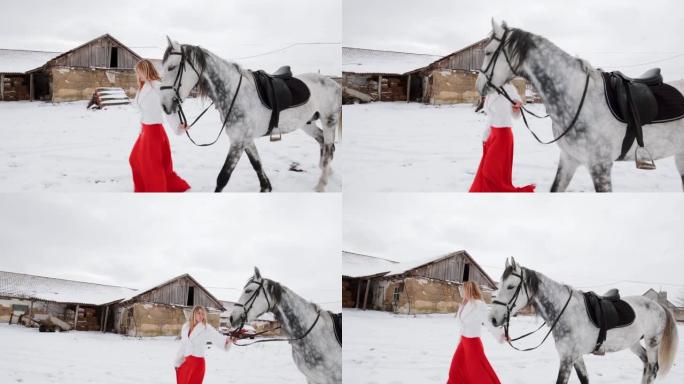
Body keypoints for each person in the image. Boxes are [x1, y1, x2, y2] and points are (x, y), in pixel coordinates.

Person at [129, 59, 190, 192]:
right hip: (145, 131)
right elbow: (142, 110)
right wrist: (141, 130)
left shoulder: (158, 87)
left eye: (139, 72)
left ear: (146, 70)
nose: (138, 75)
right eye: (137, 73)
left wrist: (178, 127)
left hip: (154, 132)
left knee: (152, 167)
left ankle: (156, 192)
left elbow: (168, 111)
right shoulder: (143, 87)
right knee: (134, 159)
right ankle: (144, 188)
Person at [469, 83, 535, 192]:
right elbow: (491, 115)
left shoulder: (510, 89)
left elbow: (516, 115)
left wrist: (517, 107)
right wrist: (486, 136)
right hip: (492, 135)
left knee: (489, 172)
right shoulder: (491, 90)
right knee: (485, 173)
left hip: (503, 135)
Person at [447, 281, 503, 384]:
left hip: (473, 344)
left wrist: (501, 335)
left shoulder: (479, 305)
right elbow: (461, 322)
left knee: (478, 373)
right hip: (463, 343)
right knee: (456, 368)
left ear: (469, 290)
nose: (461, 292)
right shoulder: (464, 304)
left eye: (463, 290)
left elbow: (489, 322)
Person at [175, 305, 233, 384]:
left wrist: (227, 340)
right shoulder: (185, 327)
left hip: (198, 363)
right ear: (194, 314)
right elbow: (183, 345)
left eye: (203, 314)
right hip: (186, 362)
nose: (201, 315)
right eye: (199, 313)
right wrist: (178, 361)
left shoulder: (206, 327)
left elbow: (217, 337)